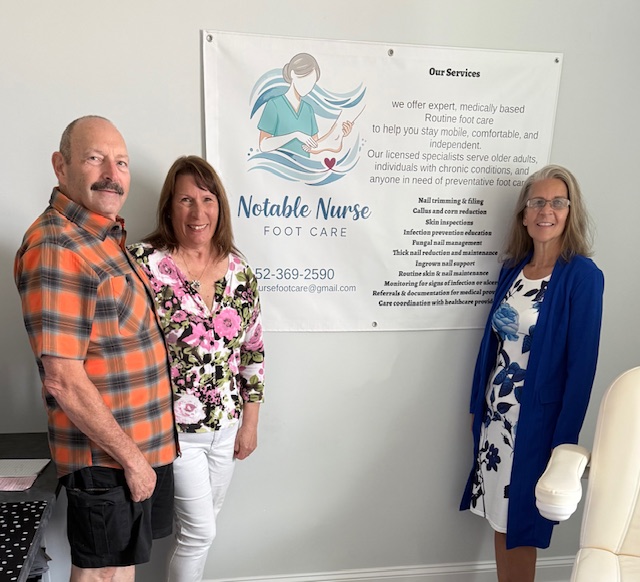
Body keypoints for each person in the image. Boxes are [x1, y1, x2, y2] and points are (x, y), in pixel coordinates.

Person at [14, 115, 177, 582]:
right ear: (60, 166)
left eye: (121, 162)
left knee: (119, 570)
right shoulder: (57, 247)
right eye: (94, 158)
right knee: (101, 576)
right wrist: (132, 460)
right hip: (109, 458)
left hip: (134, 451)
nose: (112, 173)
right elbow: (63, 380)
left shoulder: (101, 237)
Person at [459, 165, 604, 582]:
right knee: (501, 519)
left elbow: (582, 368)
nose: (546, 211)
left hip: (536, 427)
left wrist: (563, 443)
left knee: (520, 524)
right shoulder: (513, 270)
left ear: (570, 213)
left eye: (558, 202)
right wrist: (477, 407)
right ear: (524, 214)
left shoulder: (582, 277)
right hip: (496, 422)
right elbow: (491, 349)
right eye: (537, 202)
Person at [128, 155, 265, 582]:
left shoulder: (239, 270)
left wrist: (250, 424)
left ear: (219, 206)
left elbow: (253, 352)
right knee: (200, 533)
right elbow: (120, 345)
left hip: (228, 427)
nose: (198, 212)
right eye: (186, 200)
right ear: (169, 206)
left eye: (207, 199)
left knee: (201, 530)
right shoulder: (144, 264)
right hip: (174, 432)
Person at [257, 52, 352, 157]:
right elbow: (263, 145)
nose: (308, 87)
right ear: (293, 74)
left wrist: (339, 134)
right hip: (281, 164)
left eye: (312, 83)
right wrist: (295, 135)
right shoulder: (274, 105)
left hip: (304, 165)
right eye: (306, 80)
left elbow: (313, 146)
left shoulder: (308, 109)